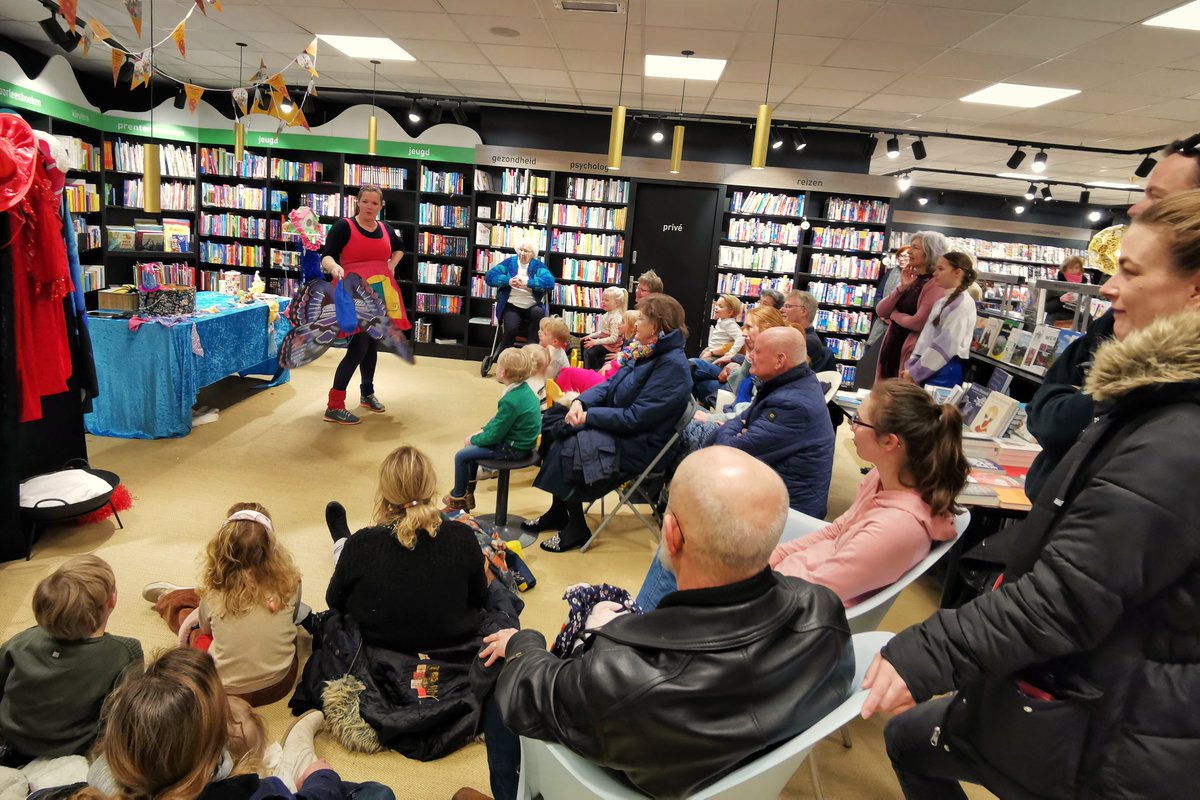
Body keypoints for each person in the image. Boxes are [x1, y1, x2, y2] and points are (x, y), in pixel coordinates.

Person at [861, 191, 1200, 800]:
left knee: (917, 741)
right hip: (1097, 687)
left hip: (1121, 719)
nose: (1108, 290)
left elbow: (1071, 593)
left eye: (1130, 271)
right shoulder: (1153, 405)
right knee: (914, 741)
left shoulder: (1178, 435)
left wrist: (929, 650)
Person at [475, 447, 854, 800]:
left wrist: (523, 642)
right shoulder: (823, 612)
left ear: (670, 534)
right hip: (727, 774)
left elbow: (529, 695)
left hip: (617, 783)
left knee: (500, 683)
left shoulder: (624, 671)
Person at [638, 380, 966, 611]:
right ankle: (645, 632)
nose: (851, 426)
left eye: (858, 421)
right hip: (783, 582)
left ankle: (643, 637)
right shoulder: (883, 480)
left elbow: (818, 587)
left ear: (890, 442)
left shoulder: (898, 527)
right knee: (681, 543)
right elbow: (835, 532)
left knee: (678, 548)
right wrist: (767, 560)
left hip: (789, 609)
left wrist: (747, 574)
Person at [1025, 134, 1200, 500]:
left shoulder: (1176, 408)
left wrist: (1092, 401)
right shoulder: (1117, 322)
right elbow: (1044, 409)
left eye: (1157, 197)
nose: (1136, 208)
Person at [82, 648, 391, 800]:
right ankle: (298, 759)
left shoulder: (101, 777)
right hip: (284, 788)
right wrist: (321, 778)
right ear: (212, 751)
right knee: (375, 793)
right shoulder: (255, 791)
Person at [522, 294, 691, 553]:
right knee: (553, 421)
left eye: (642, 319)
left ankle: (576, 526)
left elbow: (636, 419)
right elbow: (610, 385)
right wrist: (580, 404)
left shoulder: (671, 368)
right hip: (620, 424)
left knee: (568, 442)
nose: (636, 324)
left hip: (639, 442)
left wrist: (588, 417)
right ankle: (559, 512)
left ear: (656, 326)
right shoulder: (646, 350)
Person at [325, 445, 487, 653]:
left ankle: (340, 540)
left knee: (348, 556)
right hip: (451, 646)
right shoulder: (462, 536)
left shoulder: (363, 543)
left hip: (377, 652)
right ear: (431, 489)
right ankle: (341, 543)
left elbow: (334, 600)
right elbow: (479, 598)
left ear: (385, 496)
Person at [143, 503, 302, 707]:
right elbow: (295, 615)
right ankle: (178, 595)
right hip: (279, 683)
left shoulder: (215, 591)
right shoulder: (291, 581)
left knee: (194, 627)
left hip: (224, 689)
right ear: (272, 547)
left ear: (222, 549)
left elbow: (205, 628)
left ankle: (169, 598)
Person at [0, 555, 142, 765]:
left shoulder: (21, 641)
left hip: (10, 744)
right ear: (112, 601)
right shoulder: (125, 652)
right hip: (71, 756)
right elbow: (124, 715)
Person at [713, 326, 834, 516]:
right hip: (769, 491)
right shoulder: (788, 383)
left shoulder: (792, 404)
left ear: (780, 360)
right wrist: (739, 428)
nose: (750, 355)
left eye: (757, 351)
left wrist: (735, 430)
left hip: (783, 512)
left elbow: (732, 449)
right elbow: (741, 420)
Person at [320, 184, 409, 425]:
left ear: (381, 206)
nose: (369, 206)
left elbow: (400, 249)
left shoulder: (385, 228)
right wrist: (335, 267)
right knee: (359, 346)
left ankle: (367, 393)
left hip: (379, 292)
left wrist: (390, 267)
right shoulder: (343, 227)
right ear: (358, 202)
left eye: (374, 203)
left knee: (371, 345)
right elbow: (327, 255)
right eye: (365, 201)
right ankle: (334, 405)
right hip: (353, 292)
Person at [444, 347, 541, 512]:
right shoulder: (522, 389)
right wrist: (482, 430)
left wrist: (473, 439)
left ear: (503, 372)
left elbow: (495, 435)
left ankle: (457, 501)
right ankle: (468, 494)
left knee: (462, 455)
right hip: (520, 442)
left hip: (514, 449)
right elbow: (498, 421)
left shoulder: (511, 400)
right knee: (472, 450)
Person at [876, 232, 948, 381]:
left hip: (910, 353)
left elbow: (918, 322)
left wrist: (894, 315)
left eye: (915, 247)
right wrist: (901, 287)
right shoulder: (912, 277)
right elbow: (881, 310)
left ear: (929, 252)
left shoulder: (935, 283)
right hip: (892, 348)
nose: (909, 251)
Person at [902, 252, 978, 388]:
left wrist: (915, 372)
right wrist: (913, 367)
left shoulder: (963, 304)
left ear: (957, 272)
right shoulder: (943, 301)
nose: (935, 273)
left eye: (941, 269)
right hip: (929, 367)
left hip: (942, 370)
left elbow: (945, 346)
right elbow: (926, 338)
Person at [691, 305, 787, 409]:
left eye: (749, 327)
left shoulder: (769, 364)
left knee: (692, 369)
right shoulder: (754, 351)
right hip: (731, 385)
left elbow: (743, 406)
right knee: (692, 368)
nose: (743, 333)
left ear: (766, 329)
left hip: (732, 399)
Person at [485, 241, 555, 356]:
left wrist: (528, 283)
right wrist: (508, 281)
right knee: (510, 330)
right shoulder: (509, 263)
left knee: (538, 313)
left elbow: (549, 283)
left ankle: (529, 357)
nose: (522, 253)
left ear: (532, 254)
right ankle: (504, 359)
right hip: (512, 306)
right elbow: (490, 277)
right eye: (521, 250)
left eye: (526, 251)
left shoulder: (538, 266)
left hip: (532, 305)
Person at [782, 290, 836, 372]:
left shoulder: (808, 341)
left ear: (803, 312)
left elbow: (786, 373)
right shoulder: (794, 335)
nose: (781, 309)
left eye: (788, 306)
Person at [580, 286, 627, 370]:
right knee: (584, 341)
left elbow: (613, 339)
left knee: (590, 352)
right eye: (603, 299)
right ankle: (585, 368)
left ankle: (593, 372)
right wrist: (591, 336)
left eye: (607, 300)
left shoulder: (616, 318)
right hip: (605, 343)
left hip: (611, 346)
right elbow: (603, 332)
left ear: (617, 303)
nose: (603, 302)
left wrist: (595, 342)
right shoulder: (607, 314)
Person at [1044, 254, 1091, 324]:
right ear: (1065, 268)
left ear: (1081, 268)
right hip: (1057, 321)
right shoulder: (1055, 284)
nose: (1074, 270)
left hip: (1077, 321)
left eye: (1077, 268)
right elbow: (1046, 307)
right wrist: (1060, 300)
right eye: (1071, 268)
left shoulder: (1085, 284)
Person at [697, 294, 744, 362]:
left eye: (720, 306)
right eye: (716, 305)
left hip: (718, 356)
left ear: (730, 312)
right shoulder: (721, 320)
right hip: (712, 351)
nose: (716, 307)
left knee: (698, 364)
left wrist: (732, 352)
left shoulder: (729, 324)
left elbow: (741, 337)